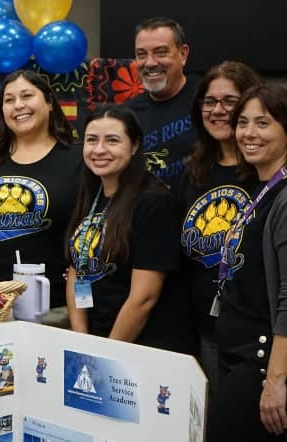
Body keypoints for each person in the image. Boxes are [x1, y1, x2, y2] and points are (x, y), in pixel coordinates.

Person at [65, 106, 193, 354]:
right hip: (97, 339)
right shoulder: (91, 194)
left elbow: (143, 299)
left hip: (142, 347)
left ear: (134, 146)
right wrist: (81, 342)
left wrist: (105, 355)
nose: (99, 149)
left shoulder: (154, 202)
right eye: (92, 140)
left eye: (112, 140)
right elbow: (75, 270)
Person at [0, 70, 80, 307]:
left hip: (46, 304)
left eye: (27, 96)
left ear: (50, 103)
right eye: (9, 100)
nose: (18, 105)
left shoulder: (78, 159)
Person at [175, 61, 263, 394]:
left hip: (255, 333)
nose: (217, 110)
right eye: (209, 102)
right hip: (205, 328)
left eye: (230, 101)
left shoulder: (266, 171)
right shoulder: (194, 170)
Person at [208, 85, 287, 441]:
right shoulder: (262, 189)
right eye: (242, 122)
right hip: (238, 355)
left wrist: (275, 381)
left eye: (263, 123)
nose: (248, 133)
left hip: (261, 362)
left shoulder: (284, 199)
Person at [122, 17, 199, 184]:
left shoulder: (207, 102)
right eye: (141, 55)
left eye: (160, 52)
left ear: (183, 54)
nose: (150, 63)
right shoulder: (127, 113)